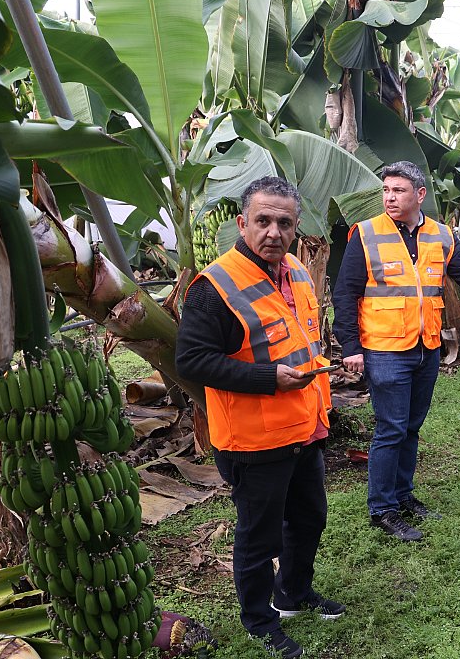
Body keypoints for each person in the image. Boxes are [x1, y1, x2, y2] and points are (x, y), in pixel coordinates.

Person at [176, 176, 343, 658]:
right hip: (253, 440)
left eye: (284, 223)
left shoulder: (295, 271)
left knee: (309, 519)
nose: (274, 232)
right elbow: (192, 361)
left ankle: (293, 593)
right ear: (241, 222)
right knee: (258, 536)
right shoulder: (216, 287)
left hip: (304, 427)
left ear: (296, 228)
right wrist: (269, 378)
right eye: (263, 220)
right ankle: (259, 620)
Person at [333, 160, 460, 542]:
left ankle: (403, 496)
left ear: (419, 194)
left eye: (398, 190)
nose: (390, 197)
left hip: (426, 346)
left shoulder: (440, 235)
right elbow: (346, 293)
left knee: (411, 427)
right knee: (390, 428)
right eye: (386, 190)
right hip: (384, 348)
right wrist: (351, 347)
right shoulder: (366, 233)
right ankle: (383, 509)